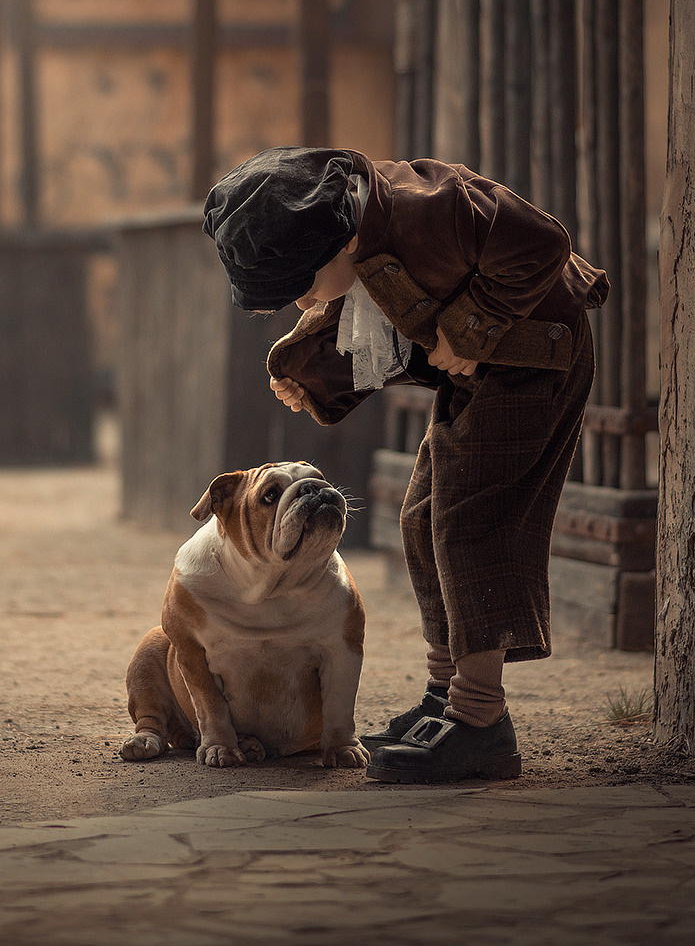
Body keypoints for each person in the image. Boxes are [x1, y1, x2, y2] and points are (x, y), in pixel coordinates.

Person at [201, 146, 606, 783]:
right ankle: (446, 699)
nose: (302, 304)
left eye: (302, 286)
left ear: (341, 240)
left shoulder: (428, 208)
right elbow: (388, 330)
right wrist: (312, 377)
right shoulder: (358, 232)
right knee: (422, 519)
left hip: (536, 360)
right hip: (488, 372)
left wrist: (471, 326)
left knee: (472, 525)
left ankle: (481, 721)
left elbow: (543, 241)